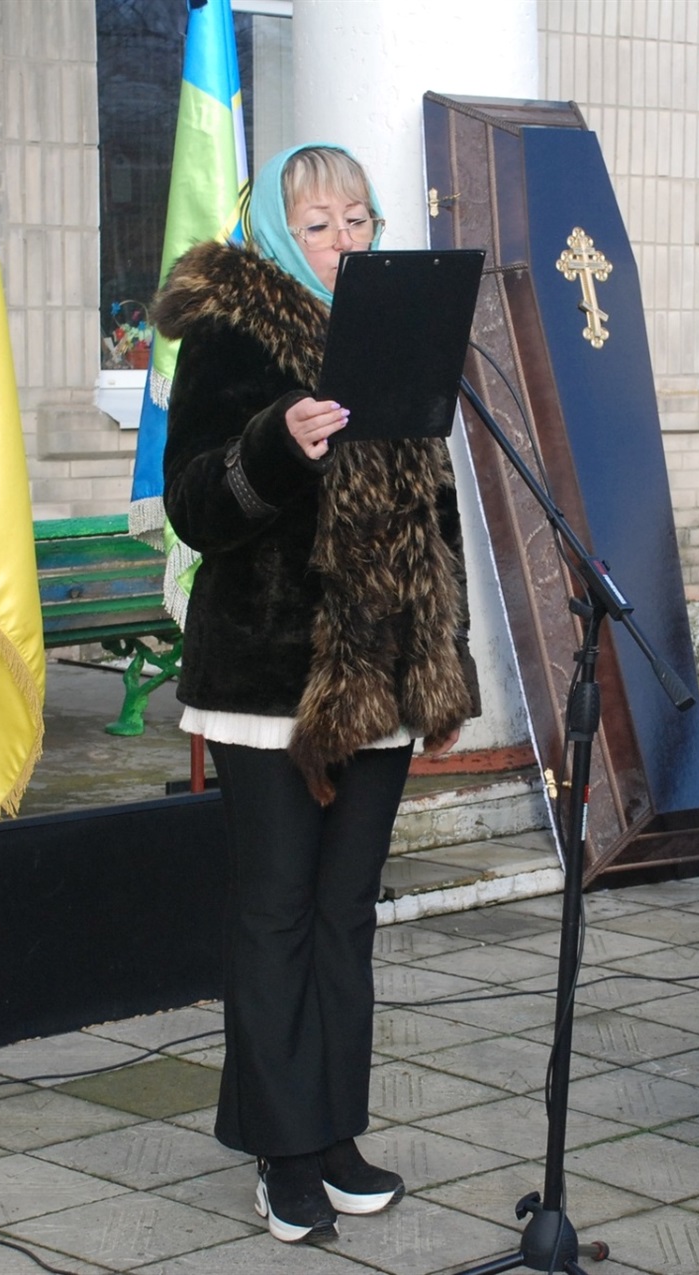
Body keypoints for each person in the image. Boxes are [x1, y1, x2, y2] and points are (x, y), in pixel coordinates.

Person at [151, 143, 479, 1244]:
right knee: (275, 912)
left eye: (360, 220)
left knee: (345, 918)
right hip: (268, 681)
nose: (346, 242)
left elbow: (432, 513)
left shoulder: (394, 334)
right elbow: (195, 505)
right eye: (323, 221)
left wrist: (443, 649)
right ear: (283, 231)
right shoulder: (230, 330)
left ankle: (334, 1135)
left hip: (378, 672)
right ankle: (281, 1154)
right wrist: (274, 445)